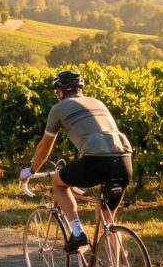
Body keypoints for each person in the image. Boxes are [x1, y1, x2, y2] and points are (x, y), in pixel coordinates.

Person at [20, 70, 132, 257]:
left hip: (96, 160)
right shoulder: (98, 102)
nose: (57, 96)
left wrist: (31, 170)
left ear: (61, 92)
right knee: (108, 219)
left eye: (57, 92)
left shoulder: (59, 108)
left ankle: (78, 233)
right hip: (125, 161)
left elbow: (44, 146)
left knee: (58, 181)